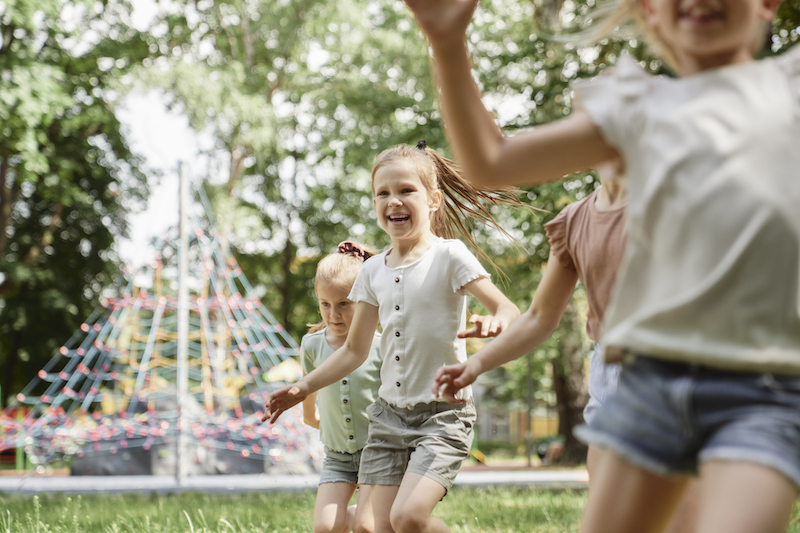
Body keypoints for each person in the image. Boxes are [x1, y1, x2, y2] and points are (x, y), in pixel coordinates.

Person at [402, 0, 800, 532]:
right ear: (652, 13)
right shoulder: (637, 108)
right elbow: (491, 164)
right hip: (648, 383)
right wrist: (448, 45)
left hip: (762, 391)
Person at [264, 141, 523, 533]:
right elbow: (354, 350)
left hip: (443, 417)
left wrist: (495, 322)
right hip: (387, 420)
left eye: (406, 190)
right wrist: (302, 388)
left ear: (433, 200)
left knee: (408, 518)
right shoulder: (371, 272)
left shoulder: (449, 257)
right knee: (371, 527)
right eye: (383, 192)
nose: (394, 201)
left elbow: (509, 310)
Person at [432, 157, 627, 481]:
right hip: (611, 369)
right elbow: (538, 317)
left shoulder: (680, 198)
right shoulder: (575, 221)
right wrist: (476, 365)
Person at [302, 241, 382, 533]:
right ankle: (374, 514)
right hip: (338, 456)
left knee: (366, 527)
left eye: (344, 304)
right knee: (325, 527)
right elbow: (309, 404)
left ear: (364, 299)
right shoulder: (311, 345)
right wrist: (319, 422)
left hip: (379, 452)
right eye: (325, 304)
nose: (333, 314)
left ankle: (379, 515)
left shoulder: (381, 345)